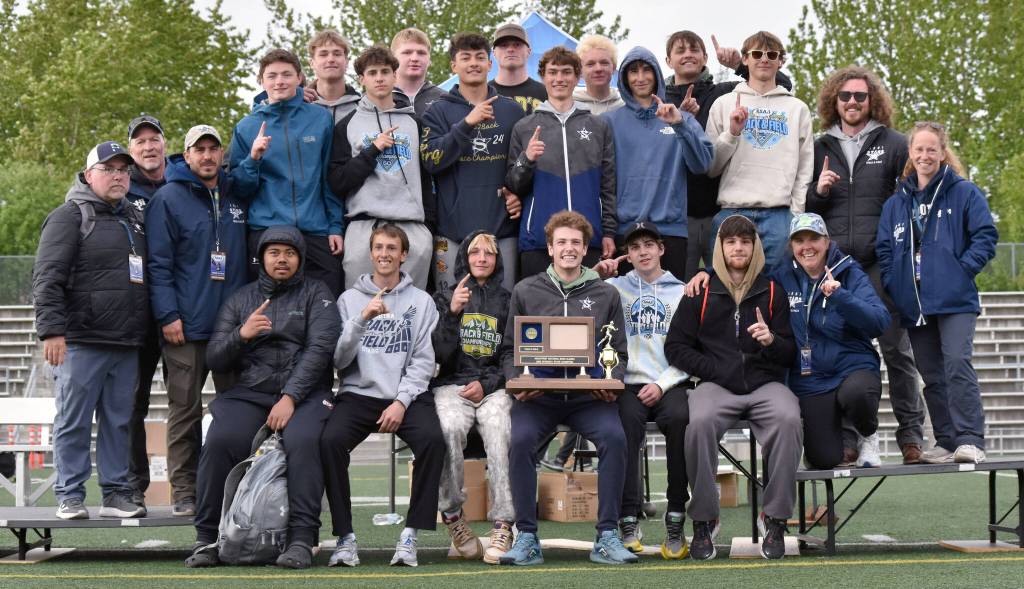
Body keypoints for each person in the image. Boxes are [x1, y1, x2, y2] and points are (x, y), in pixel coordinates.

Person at [186, 225, 341, 569]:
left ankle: (302, 539)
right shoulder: (241, 298)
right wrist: (240, 335)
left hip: (306, 394)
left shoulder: (319, 293)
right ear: (262, 258)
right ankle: (208, 537)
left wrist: (290, 397)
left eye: (289, 253)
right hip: (252, 392)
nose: (281, 259)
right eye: (274, 253)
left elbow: (320, 350)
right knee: (220, 438)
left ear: (300, 258)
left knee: (303, 440)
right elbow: (214, 357)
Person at [499, 211, 636, 566]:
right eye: (562, 242)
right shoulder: (526, 290)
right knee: (520, 441)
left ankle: (607, 535)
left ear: (585, 249)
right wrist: (519, 382)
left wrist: (612, 382)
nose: (569, 249)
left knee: (615, 438)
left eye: (576, 242)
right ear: (549, 248)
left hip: (588, 397)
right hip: (539, 396)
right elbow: (510, 350)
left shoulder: (606, 294)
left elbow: (617, 352)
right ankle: (526, 536)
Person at [806, 66, 925, 464]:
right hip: (836, 266)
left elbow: (912, 200)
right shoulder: (820, 146)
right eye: (845, 96)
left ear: (871, 100)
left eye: (860, 96)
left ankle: (911, 437)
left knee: (896, 350)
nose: (853, 102)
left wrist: (904, 250)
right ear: (833, 101)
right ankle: (849, 439)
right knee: (841, 351)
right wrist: (818, 192)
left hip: (882, 264)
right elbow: (805, 210)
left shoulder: (894, 143)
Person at [664, 214, 800, 560]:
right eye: (730, 242)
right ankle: (705, 519)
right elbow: (675, 347)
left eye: (745, 242)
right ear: (719, 248)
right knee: (699, 424)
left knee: (788, 419)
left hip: (763, 384)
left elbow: (789, 352)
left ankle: (775, 517)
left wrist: (771, 340)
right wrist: (714, 369)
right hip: (715, 385)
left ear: (755, 247)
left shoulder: (772, 291)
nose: (738, 248)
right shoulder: (701, 290)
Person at [33, 141, 150, 520]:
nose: (118, 176)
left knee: (119, 422)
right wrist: (52, 331)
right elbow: (47, 278)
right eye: (109, 169)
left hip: (125, 341)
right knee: (74, 420)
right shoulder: (68, 216)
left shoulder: (134, 217)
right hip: (80, 341)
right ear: (88, 175)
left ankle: (116, 494)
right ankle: (69, 494)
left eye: (123, 170)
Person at [876, 122, 998, 464]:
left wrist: (960, 271)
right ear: (911, 154)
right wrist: (895, 281)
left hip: (955, 300)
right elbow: (885, 248)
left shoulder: (963, 192)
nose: (925, 155)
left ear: (943, 153)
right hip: (915, 302)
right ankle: (946, 440)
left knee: (957, 364)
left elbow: (986, 236)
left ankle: (971, 439)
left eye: (932, 149)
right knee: (931, 375)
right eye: (919, 150)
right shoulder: (897, 202)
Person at [322, 224, 443, 568]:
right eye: (379, 247)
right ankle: (345, 538)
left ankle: (410, 536)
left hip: (405, 394)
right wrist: (361, 320)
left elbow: (423, 362)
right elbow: (339, 361)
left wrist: (401, 402)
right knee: (329, 441)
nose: (385, 254)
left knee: (433, 440)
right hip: (359, 393)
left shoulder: (421, 302)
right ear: (370, 252)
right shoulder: (349, 300)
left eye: (392, 248)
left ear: (404, 255)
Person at [144, 125, 249, 516]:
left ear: (222, 154)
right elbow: (158, 263)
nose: (206, 156)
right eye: (198, 150)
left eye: (213, 149)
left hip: (232, 329)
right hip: (185, 327)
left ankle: (233, 487)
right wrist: (168, 315)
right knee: (184, 412)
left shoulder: (238, 192)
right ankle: (184, 491)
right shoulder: (168, 198)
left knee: (235, 414)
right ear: (185, 156)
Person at [593, 221, 691, 559]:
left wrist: (662, 384)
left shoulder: (681, 291)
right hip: (627, 382)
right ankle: (628, 518)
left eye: (649, 244)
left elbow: (690, 351)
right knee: (624, 427)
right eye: (635, 247)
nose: (643, 252)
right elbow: (578, 296)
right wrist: (596, 273)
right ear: (627, 254)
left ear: (661, 249)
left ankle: (676, 516)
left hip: (669, 381)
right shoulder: (614, 288)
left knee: (681, 419)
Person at [662, 31, 793, 281]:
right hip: (678, 214)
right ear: (668, 60)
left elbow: (781, 85)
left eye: (694, 49)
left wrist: (739, 66)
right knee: (682, 288)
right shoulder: (661, 99)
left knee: (727, 284)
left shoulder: (724, 93)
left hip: (719, 210)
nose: (688, 54)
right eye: (680, 50)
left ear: (705, 57)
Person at [773, 214, 889, 468]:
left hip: (851, 367)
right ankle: (838, 437)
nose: (807, 247)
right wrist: (708, 272)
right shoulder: (782, 276)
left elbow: (880, 321)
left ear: (826, 242)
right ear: (792, 247)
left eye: (813, 238)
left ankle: (867, 434)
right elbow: (745, 277)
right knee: (823, 459)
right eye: (799, 241)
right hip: (810, 377)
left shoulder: (848, 272)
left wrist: (842, 297)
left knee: (857, 393)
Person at [229, 48, 344, 297]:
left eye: (286, 74)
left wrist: (335, 226)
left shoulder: (320, 118)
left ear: (299, 77)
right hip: (267, 228)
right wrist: (253, 159)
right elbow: (238, 188)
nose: (279, 81)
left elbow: (329, 177)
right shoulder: (246, 127)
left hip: (315, 228)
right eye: (271, 76)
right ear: (261, 81)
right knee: (270, 311)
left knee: (326, 301)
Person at [430, 231, 515, 564]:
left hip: (493, 387)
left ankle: (503, 522)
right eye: (475, 252)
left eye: (489, 254)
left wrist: (489, 383)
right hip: (452, 384)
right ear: (464, 257)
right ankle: (453, 517)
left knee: (499, 428)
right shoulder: (443, 297)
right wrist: (451, 314)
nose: (482, 258)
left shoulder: (509, 299)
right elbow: (436, 354)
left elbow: (512, 355)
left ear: (497, 260)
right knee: (448, 428)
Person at [422, 32, 525, 293]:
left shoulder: (512, 110)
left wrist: (520, 195)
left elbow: (523, 167)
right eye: (465, 57)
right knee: (450, 311)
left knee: (503, 314)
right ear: (453, 66)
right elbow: (431, 161)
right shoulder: (437, 111)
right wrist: (467, 123)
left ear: (490, 64)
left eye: (480, 57)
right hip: (451, 232)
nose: (474, 63)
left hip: (503, 232)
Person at [327, 44, 435, 290]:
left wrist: (428, 228)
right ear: (362, 79)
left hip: (412, 228)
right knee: (361, 309)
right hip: (364, 226)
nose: (379, 78)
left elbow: (426, 179)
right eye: (372, 73)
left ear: (395, 75)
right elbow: (337, 181)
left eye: (385, 71)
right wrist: (372, 151)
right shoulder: (347, 125)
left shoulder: (413, 122)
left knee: (409, 310)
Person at [705, 31, 813, 271]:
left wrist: (796, 214)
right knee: (725, 292)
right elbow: (711, 168)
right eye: (757, 54)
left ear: (781, 61)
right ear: (745, 59)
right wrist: (732, 133)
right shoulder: (724, 104)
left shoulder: (797, 109)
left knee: (777, 293)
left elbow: (805, 168)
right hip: (732, 211)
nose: (764, 59)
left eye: (771, 54)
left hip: (780, 216)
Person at [603, 46, 713, 280]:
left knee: (672, 311)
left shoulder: (681, 117)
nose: (640, 77)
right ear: (624, 78)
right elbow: (602, 180)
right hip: (627, 232)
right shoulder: (609, 122)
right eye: (633, 71)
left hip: (670, 231)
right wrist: (609, 232)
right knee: (626, 311)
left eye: (646, 70)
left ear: (656, 74)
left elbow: (702, 165)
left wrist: (679, 125)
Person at [506, 46, 616, 278]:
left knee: (586, 312)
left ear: (577, 77)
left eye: (566, 72)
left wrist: (608, 232)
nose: (559, 79)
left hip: (588, 239)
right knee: (540, 312)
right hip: (538, 239)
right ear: (543, 77)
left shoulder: (598, 126)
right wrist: (527, 160)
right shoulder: (525, 127)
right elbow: (514, 185)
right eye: (552, 72)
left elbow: (609, 185)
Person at [124, 113, 170, 510]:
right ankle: (132, 488)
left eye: (154, 139)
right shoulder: (120, 187)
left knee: (187, 403)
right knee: (132, 402)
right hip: (136, 313)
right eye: (140, 142)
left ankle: (197, 488)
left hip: (178, 311)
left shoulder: (187, 180)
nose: (148, 146)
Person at [306, 29, 361, 123]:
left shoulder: (363, 108)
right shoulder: (299, 107)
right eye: (323, 54)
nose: (331, 59)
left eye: (337, 54)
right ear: (312, 63)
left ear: (346, 62)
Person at [490, 23, 547, 113]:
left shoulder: (546, 93)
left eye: (517, 44)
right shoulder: (484, 94)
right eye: (504, 45)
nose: (510, 49)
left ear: (528, 51)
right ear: (494, 53)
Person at [392, 27, 446, 116]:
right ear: (392, 59)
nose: (415, 58)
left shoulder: (444, 100)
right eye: (407, 52)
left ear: (429, 60)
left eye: (421, 53)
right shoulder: (372, 101)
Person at [572, 35, 624, 115]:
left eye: (604, 63)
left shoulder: (625, 106)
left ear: (613, 68)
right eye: (590, 64)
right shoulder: (568, 107)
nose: (598, 69)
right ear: (580, 71)